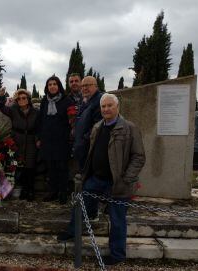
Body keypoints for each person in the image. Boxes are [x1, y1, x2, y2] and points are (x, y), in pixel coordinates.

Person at [57, 93, 146, 266]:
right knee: (80, 205)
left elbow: (139, 157)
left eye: (109, 106)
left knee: (117, 220)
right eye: (103, 106)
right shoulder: (98, 126)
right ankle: (72, 231)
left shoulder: (129, 128)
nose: (106, 109)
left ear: (117, 107)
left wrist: (127, 178)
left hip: (119, 183)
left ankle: (117, 255)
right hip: (96, 179)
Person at [36, 75, 74, 204]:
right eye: (50, 84)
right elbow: (40, 120)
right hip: (47, 140)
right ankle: (53, 191)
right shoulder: (44, 101)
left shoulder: (67, 101)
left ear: (59, 86)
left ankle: (63, 193)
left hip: (62, 140)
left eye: (54, 84)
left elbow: (72, 121)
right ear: (47, 87)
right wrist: (39, 137)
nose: (52, 86)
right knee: (51, 168)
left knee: (62, 168)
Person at [0, 87, 38, 201]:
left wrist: (38, 139)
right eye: (19, 98)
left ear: (28, 99)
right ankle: (22, 191)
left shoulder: (35, 112)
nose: (21, 100)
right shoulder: (13, 110)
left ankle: (30, 191)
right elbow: (2, 107)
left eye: (24, 98)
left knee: (30, 166)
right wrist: (1, 96)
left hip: (31, 140)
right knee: (19, 165)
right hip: (17, 140)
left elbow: (39, 126)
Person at [73, 76, 103, 169]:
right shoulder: (86, 100)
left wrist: (83, 140)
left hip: (91, 149)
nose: (84, 88)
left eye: (87, 85)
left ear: (96, 86)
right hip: (83, 148)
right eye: (82, 86)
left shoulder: (100, 101)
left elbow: (99, 125)